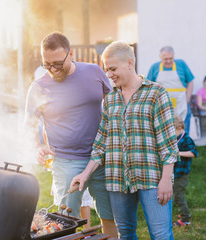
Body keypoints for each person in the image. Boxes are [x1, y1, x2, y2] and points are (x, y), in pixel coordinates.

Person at [70, 41, 179, 240]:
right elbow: (101, 142)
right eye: (106, 69)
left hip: (152, 177)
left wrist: (166, 179)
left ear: (129, 62)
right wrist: (84, 174)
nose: (109, 74)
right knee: (125, 234)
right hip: (117, 178)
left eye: (112, 69)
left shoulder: (156, 93)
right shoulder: (110, 100)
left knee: (161, 234)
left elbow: (168, 143)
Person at [24, 32, 117, 237]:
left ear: (71, 54)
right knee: (67, 221)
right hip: (66, 162)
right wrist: (37, 146)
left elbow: (114, 103)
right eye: (47, 64)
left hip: (101, 157)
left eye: (58, 63)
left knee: (110, 215)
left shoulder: (94, 72)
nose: (53, 69)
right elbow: (29, 125)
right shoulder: (39, 87)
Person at [147, 46, 194, 135]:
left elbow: (190, 82)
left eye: (171, 58)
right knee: (164, 129)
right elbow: (149, 85)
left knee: (183, 127)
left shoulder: (181, 64)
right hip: (162, 104)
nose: (168, 61)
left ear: (174, 56)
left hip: (181, 102)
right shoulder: (154, 67)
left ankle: (184, 147)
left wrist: (188, 98)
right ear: (160, 57)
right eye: (165, 59)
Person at [172, 116, 198, 227]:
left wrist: (179, 153)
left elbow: (194, 153)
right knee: (175, 194)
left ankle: (185, 219)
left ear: (178, 128)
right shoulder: (177, 138)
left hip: (182, 174)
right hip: (175, 173)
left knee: (179, 196)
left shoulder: (186, 138)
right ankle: (183, 213)